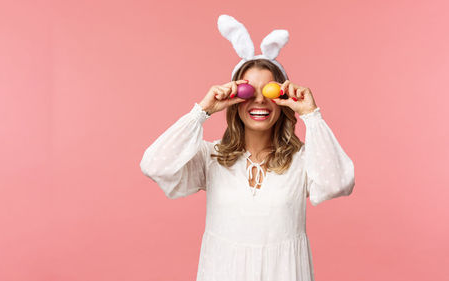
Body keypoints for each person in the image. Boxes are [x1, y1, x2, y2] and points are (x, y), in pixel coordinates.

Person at [139, 57, 355, 280]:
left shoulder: (301, 159)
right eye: (249, 92)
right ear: (234, 99)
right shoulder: (211, 156)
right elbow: (154, 165)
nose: (260, 100)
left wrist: (311, 115)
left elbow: (338, 182)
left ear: (283, 99)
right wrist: (202, 111)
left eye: (269, 92)